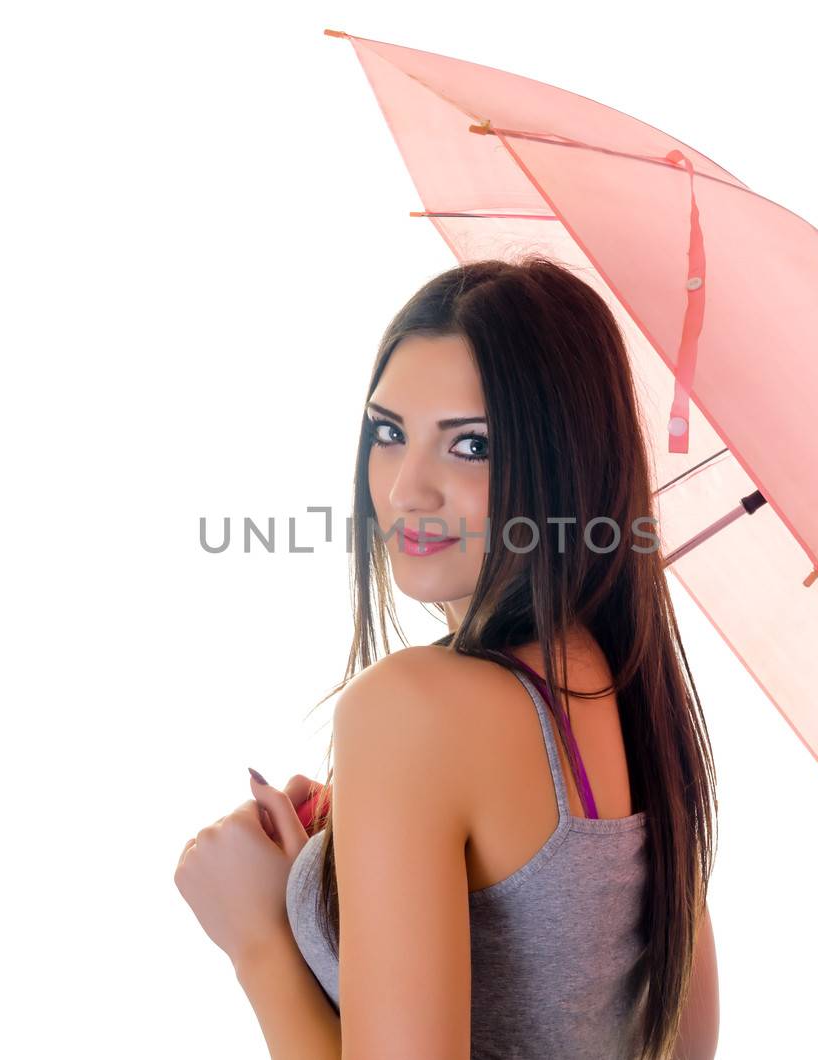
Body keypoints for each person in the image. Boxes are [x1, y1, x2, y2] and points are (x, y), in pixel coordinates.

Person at [175, 256, 721, 1058]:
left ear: (563, 464)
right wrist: (364, 848)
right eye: (389, 433)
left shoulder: (413, 708)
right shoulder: (630, 699)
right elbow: (684, 1042)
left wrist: (257, 940)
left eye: (471, 446)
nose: (407, 490)